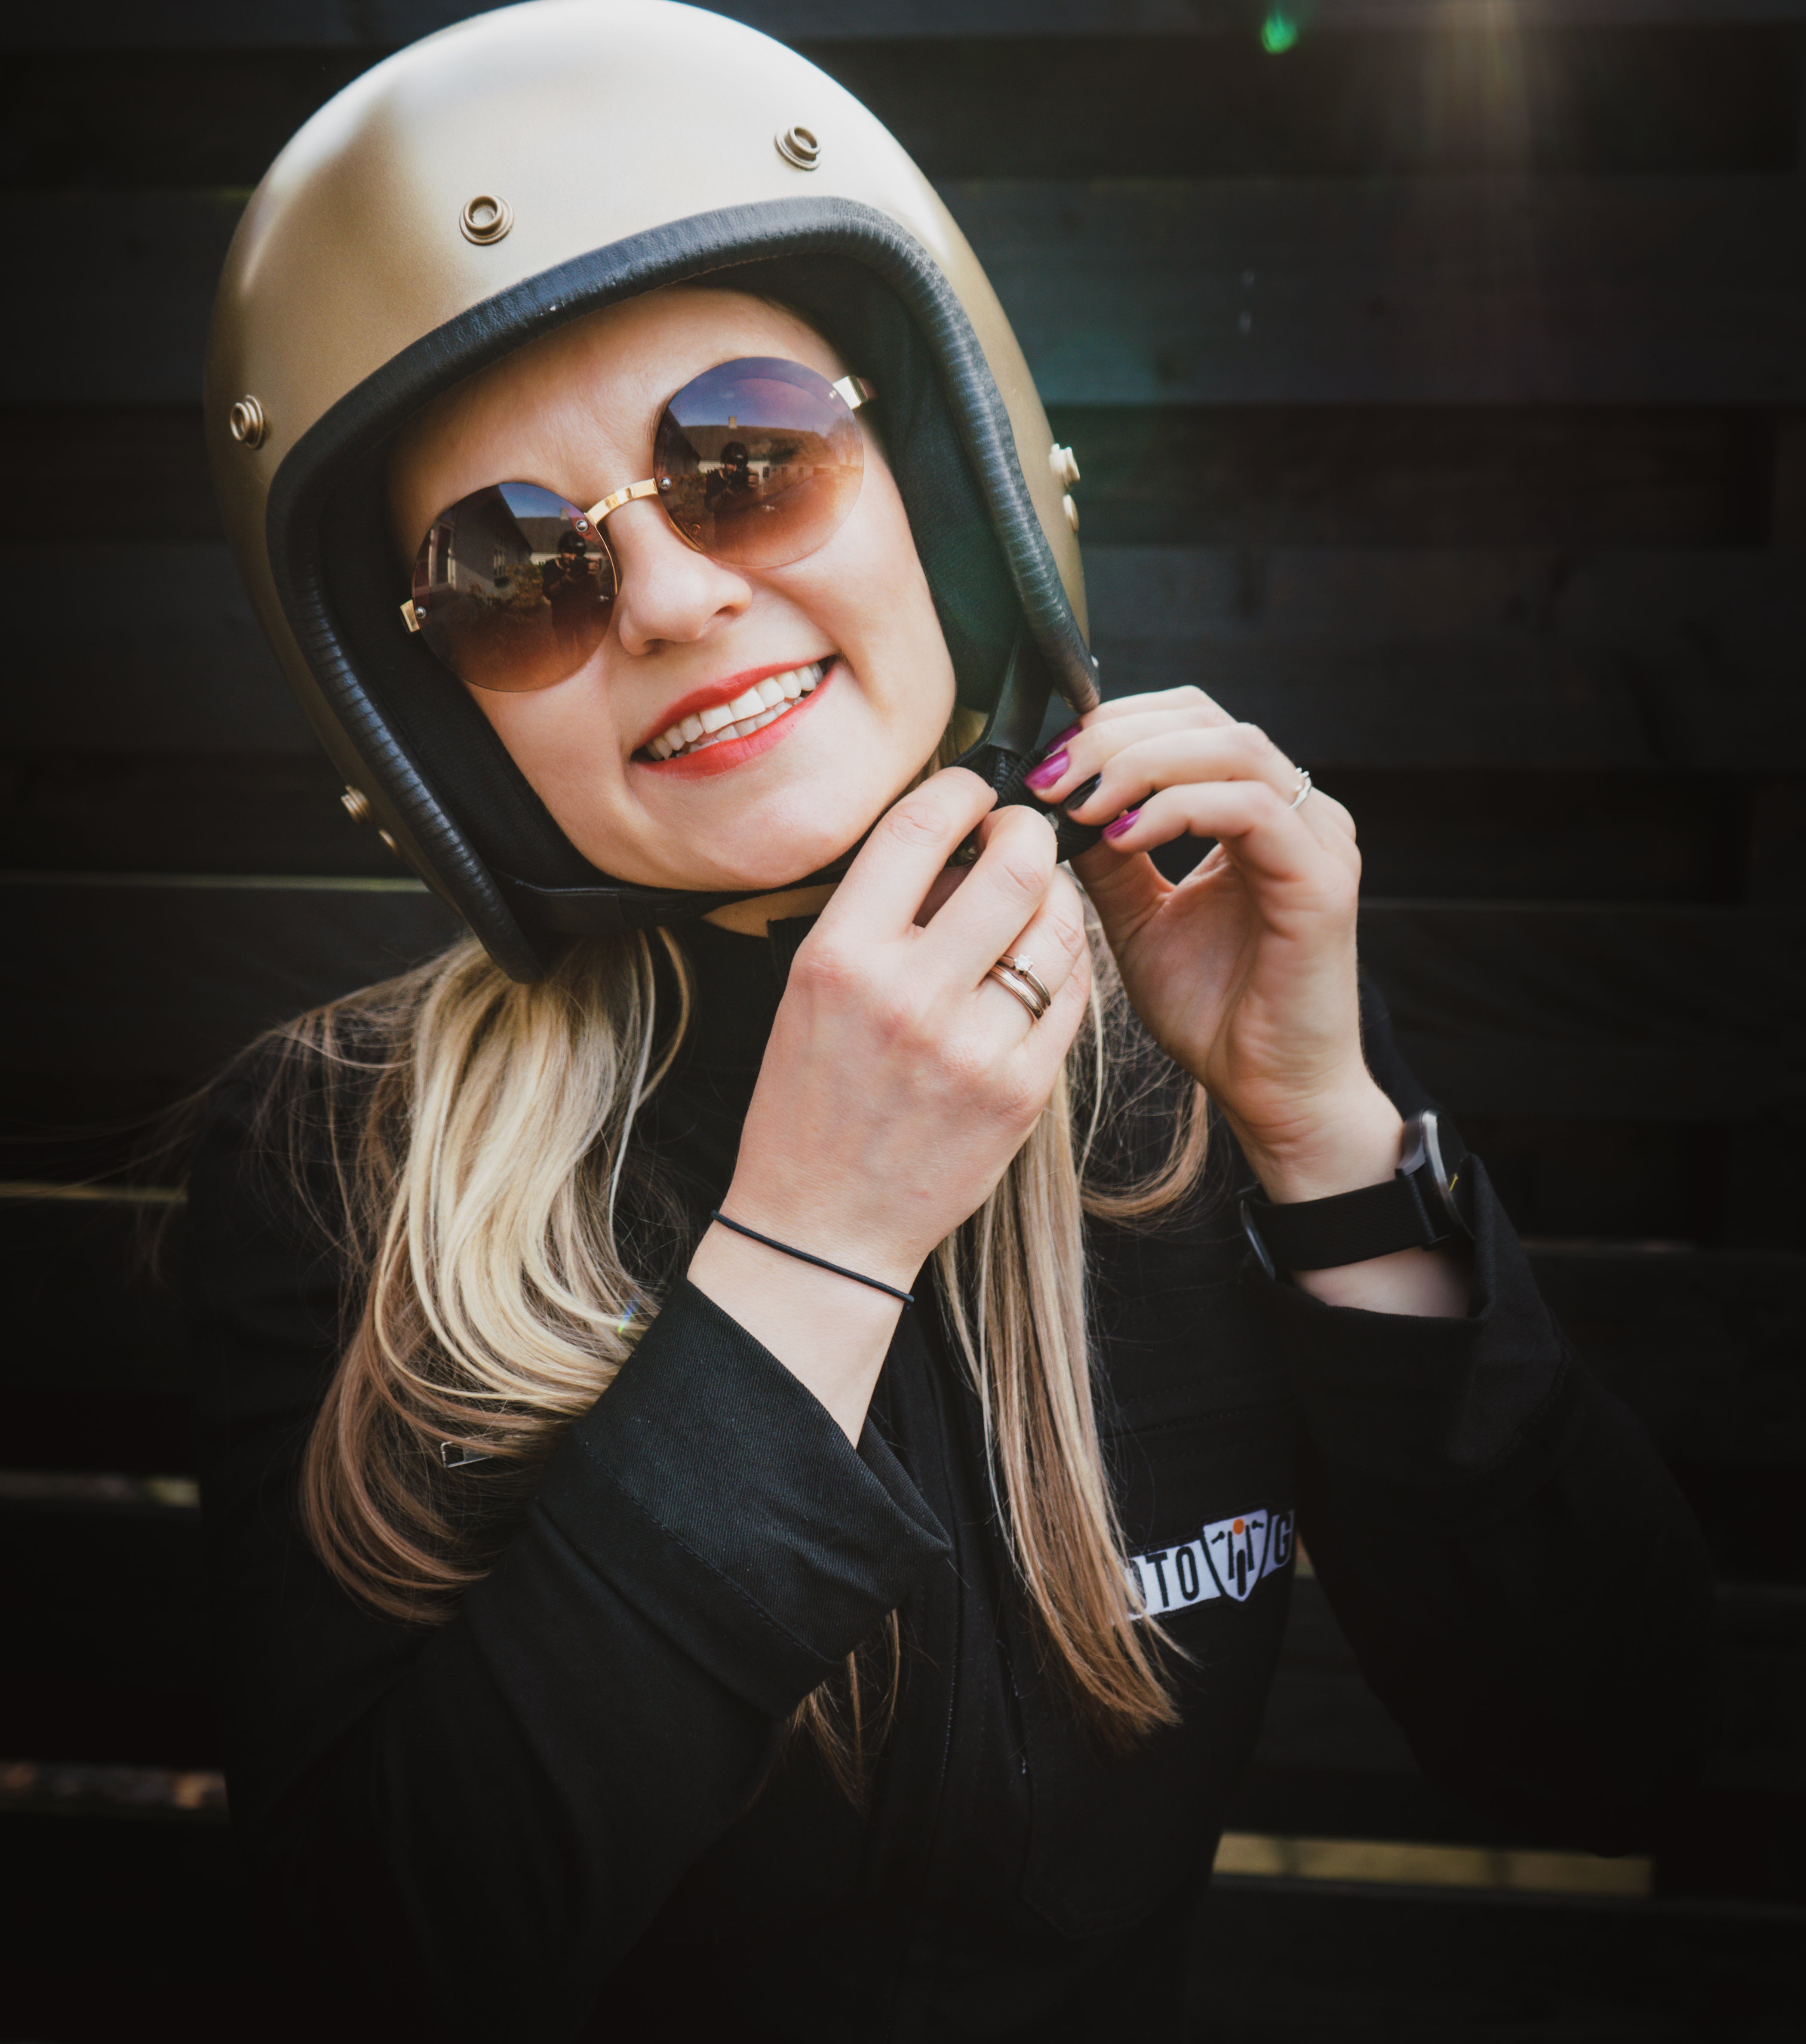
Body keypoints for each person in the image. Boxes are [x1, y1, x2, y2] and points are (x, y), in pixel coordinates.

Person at [188, 7, 1713, 2040]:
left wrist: (1327, 1136)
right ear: (437, 718)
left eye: (744, 459)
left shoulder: (1192, 1065)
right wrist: (811, 1241)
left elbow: (1602, 1750)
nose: (666, 600)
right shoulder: (336, 1160)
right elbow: (381, 1962)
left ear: (938, 476)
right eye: (511, 570)